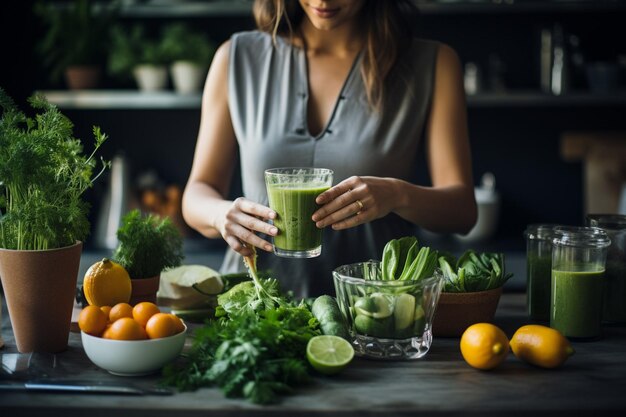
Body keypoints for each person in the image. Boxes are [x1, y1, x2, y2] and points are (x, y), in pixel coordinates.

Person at [182, 0, 478, 298]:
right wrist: (221, 214)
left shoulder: (434, 63)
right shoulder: (236, 57)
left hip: (375, 311)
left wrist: (397, 194)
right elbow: (197, 193)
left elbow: (462, 212)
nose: (323, 1)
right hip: (254, 307)